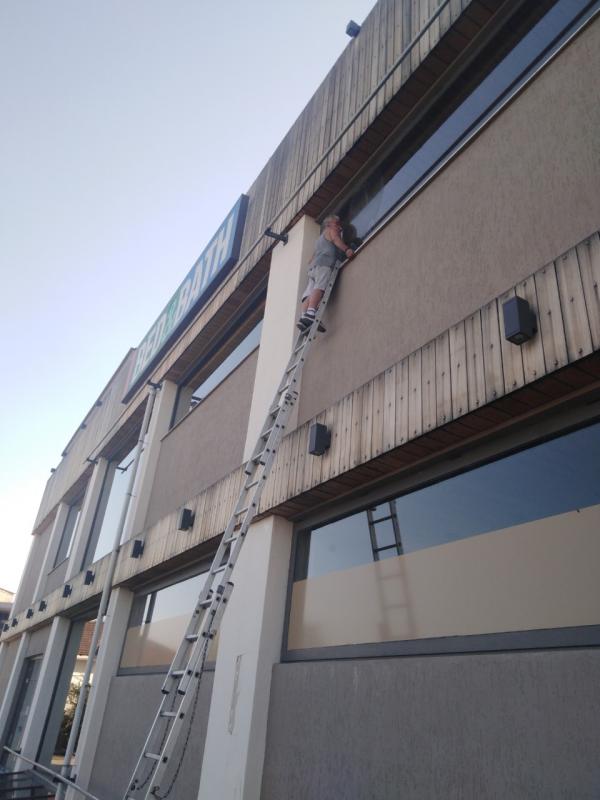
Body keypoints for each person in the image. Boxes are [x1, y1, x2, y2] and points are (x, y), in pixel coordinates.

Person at [297, 215, 354, 330]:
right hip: (324, 264)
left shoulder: (319, 240)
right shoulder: (330, 230)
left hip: (313, 268)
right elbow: (336, 240)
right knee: (320, 287)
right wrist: (347, 249)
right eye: (337, 224)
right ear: (328, 224)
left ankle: (304, 318)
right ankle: (311, 313)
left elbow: (311, 259)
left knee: (310, 293)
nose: (339, 227)